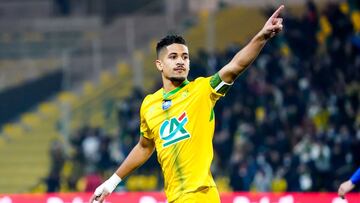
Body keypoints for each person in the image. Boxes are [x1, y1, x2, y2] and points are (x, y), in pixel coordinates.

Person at [90, 5, 285, 203]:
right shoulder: (149, 104)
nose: (181, 61)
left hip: (201, 195)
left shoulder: (201, 90)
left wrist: (262, 36)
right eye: (173, 57)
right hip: (175, 198)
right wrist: (111, 182)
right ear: (159, 65)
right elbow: (144, 146)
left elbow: (235, 66)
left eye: (185, 57)